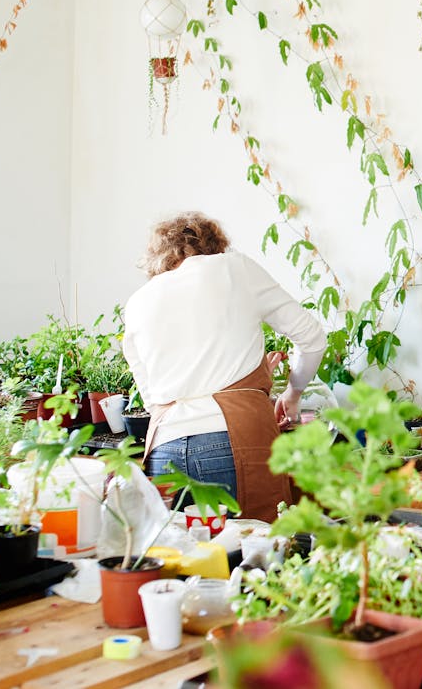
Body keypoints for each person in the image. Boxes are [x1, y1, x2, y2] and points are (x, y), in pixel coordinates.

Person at [122, 212, 326, 522]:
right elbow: (312, 338)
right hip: (234, 442)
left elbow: (153, 401)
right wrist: (293, 394)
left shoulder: (138, 302)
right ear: (215, 244)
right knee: (251, 558)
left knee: (184, 559)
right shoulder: (234, 268)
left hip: (164, 449)